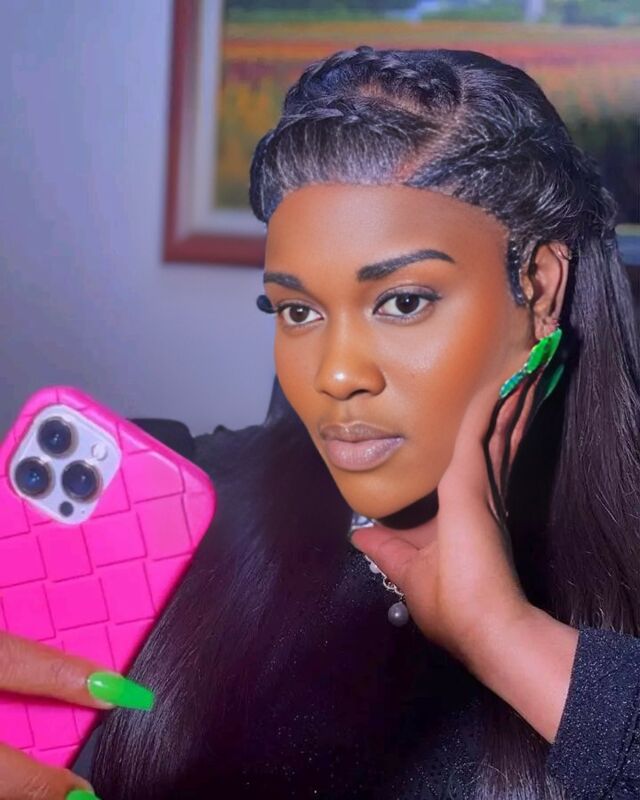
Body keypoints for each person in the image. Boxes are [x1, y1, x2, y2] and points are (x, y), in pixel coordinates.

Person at [1, 45, 639, 800]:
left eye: (402, 301)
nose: (334, 375)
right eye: (298, 311)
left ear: (539, 286)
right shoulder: (175, 513)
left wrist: (505, 637)